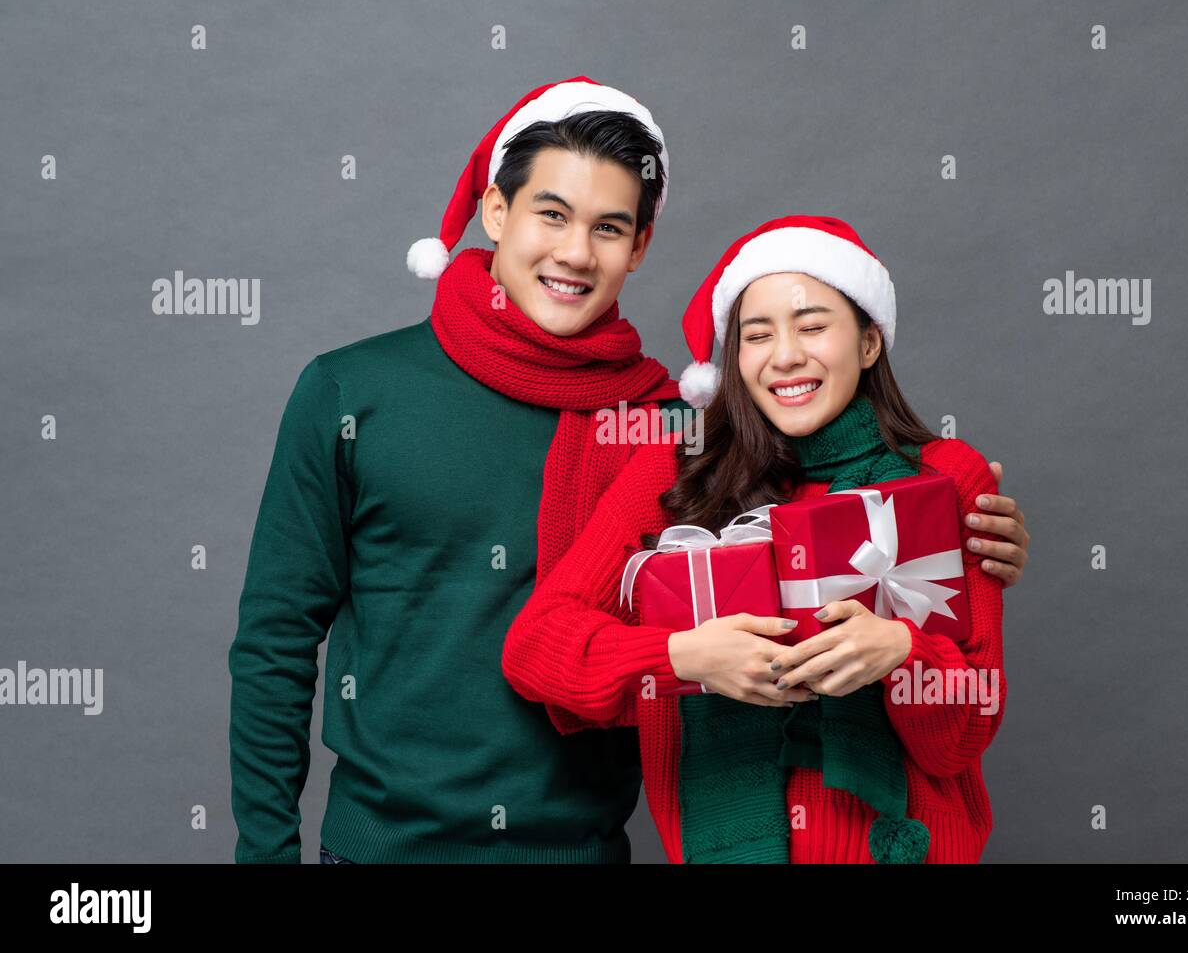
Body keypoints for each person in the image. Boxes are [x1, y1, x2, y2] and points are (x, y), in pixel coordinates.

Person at [229, 75, 1029, 864]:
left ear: (640, 245)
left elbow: (820, 477)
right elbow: (276, 643)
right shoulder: (352, 392)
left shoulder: (675, 428)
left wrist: (959, 515)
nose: (575, 252)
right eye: (551, 214)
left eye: (610, 228)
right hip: (382, 847)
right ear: (494, 210)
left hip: (584, 845)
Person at [503, 215, 1009, 863]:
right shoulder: (675, 469)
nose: (785, 355)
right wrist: (683, 655)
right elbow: (534, 646)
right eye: (757, 334)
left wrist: (899, 653)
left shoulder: (944, 477)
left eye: (814, 325)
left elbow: (962, 740)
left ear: (869, 342)